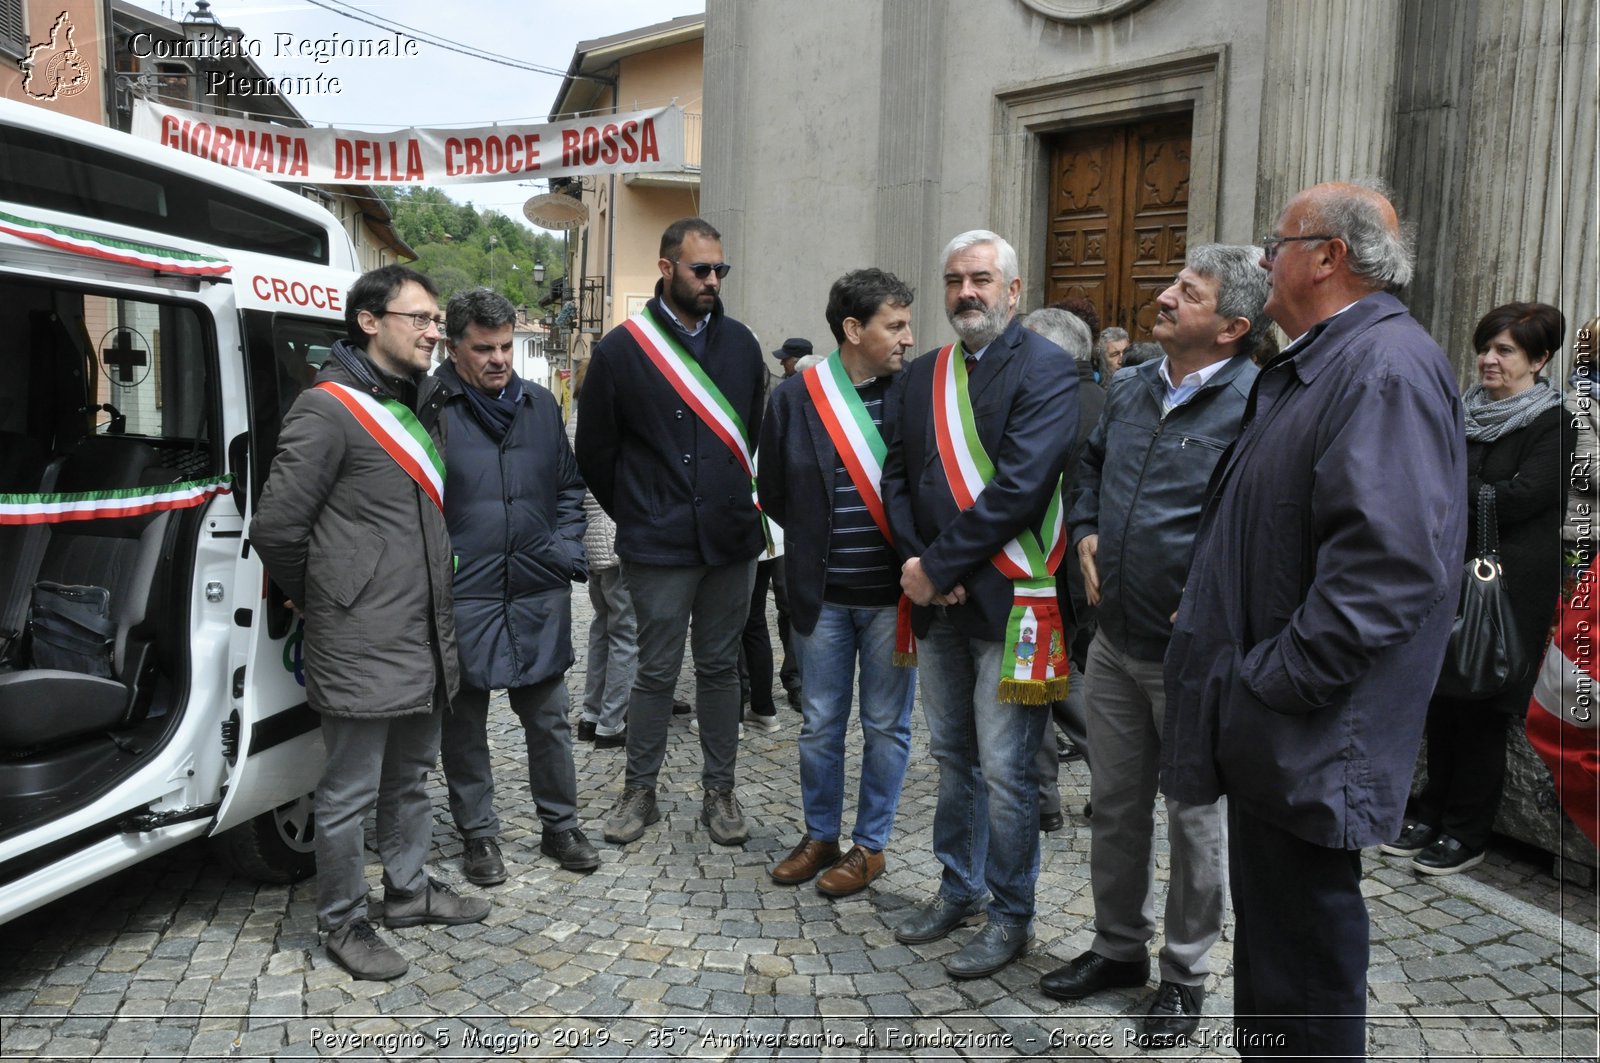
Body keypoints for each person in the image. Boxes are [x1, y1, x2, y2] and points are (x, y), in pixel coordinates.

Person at [1161, 182, 1466, 1057]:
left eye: (1277, 242)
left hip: (1306, 725)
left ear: (1328, 256)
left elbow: (1387, 564)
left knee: (1304, 969)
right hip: (1279, 725)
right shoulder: (1323, 360)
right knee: (1278, 962)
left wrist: (1272, 680)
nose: (1264, 260)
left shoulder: (1383, 367)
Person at [1040, 245, 1268, 1045]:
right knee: (1115, 809)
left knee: (1195, 822)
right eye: (1171, 282)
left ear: (1233, 326)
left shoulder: (1256, 406)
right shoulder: (1133, 385)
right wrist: (1088, 529)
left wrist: (1217, 601)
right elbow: (1088, 467)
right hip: (1114, 643)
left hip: (1194, 659)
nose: (1163, 296)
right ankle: (1116, 949)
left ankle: (1185, 974)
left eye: (1187, 292)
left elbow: (1267, 529)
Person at [252, 265, 489, 982]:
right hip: (358, 635)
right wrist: (324, 596)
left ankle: (409, 892)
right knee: (348, 793)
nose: (433, 331)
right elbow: (277, 527)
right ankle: (343, 921)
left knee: (412, 776)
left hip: (420, 632)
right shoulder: (327, 408)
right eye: (418, 318)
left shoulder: (418, 402)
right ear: (369, 321)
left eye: (435, 319)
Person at [882, 230, 1076, 979]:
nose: (967, 292)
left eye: (982, 279)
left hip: (1006, 602)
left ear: (1014, 290)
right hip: (939, 600)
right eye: (956, 279)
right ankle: (955, 887)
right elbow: (895, 476)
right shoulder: (924, 371)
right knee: (951, 756)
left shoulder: (1050, 371)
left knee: (1006, 769)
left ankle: (1009, 913)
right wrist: (921, 565)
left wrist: (939, 563)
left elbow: (1021, 487)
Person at [575, 217, 766, 848]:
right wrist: (641, 509)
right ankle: (640, 792)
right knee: (654, 673)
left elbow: (751, 435)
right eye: (700, 270)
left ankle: (721, 792)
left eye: (720, 270)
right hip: (658, 543)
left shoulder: (741, 346)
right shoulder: (621, 350)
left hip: (730, 541)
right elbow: (596, 452)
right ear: (666, 269)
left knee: (719, 669)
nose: (713, 280)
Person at [1384, 303, 1572, 875]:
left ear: (1539, 359)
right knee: (1442, 696)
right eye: (1485, 347)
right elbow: (1421, 473)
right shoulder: (1459, 410)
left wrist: (1454, 486)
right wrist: (1474, 487)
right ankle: (1430, 811)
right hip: (1446, 571)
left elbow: (1525, 496)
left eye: (1506, 350)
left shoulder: (1556, 422)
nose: (1489, 360)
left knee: (1485, 706)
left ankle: (1467, 831)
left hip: (1508, 587)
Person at [759, 268, 919, 898]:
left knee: (886, 726)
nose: (909, 337)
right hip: (820, 595)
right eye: (895, 325)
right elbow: (772, 487)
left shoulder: (916, 393)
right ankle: (819, 835)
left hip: (892, 598)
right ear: (854, 330)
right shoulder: (796, 398)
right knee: (821, 722)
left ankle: (870, 846)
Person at [435, 288, 598, 883]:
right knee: (464, 726)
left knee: (549, 720)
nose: (499, 358)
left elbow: (568, 489)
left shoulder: (538, 406)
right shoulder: (431, 408)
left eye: (505, 346)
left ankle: (561, 826)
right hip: (464, 594)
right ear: (455, 350)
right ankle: (478, 837)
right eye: (484, 348)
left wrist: (564, 553)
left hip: (536, 589)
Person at [1019, 306, 1098, 832]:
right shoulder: (1113, 403)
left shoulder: (1035, 403)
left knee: (1037, 680)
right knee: (1066, 675)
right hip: (1091, 573)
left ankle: (1043, 800)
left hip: (1038, 563)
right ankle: (1113, 783)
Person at [567, 358, 637, 751]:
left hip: (591, 539)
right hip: (613, 537)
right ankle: (611, 722)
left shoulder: (574, 420)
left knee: (603, 628)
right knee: (625, 633)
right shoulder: (606, 419)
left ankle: (591, 714)